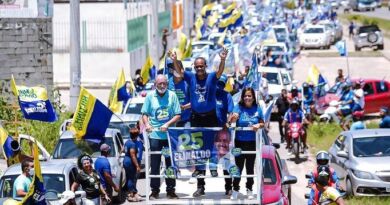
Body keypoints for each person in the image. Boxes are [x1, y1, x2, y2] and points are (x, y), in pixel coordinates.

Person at [170, 48, 228, 197]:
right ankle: (201, 186)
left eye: (201, 66)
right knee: (198, 150)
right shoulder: (191, 77)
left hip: (210, 117)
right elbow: (180, 71)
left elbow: (220, 71)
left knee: (211, 147)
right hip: (196, 117)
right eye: (197, 66)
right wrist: (175, 59)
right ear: (194, 68)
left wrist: (222, 59)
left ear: (205, 66)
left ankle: (215, 170)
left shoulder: (211, 78)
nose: (199, 68)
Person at [141, 74, 181, 199]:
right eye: (160, 84)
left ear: (167, 84)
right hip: (155, 136)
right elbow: (144, 113)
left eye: (164, 83)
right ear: (155, 84)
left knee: (170, 164)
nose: (162, 86)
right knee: (155, 164)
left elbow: (178, 114)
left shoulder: (172, 95)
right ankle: (155, 190)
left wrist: (168, 124)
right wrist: (147, 124)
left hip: (169, 136)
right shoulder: (150, 96)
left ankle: (170, 190)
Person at [228, 87, 264, 200]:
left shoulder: (258, 108)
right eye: (245, 96)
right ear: (242, 98)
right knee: (238, 167)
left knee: (250, 167)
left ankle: (249, 189)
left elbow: (262, 123)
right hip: (239, 142)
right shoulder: (238, 107)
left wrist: (258, 125)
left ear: (253, 97)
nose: (247, 98)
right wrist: (232, 119)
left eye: (249, 96)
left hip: (252, 143)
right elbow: (230, 121)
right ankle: (235, 189)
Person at [168, 60, 191, 127]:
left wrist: (184, 107)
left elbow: (195, 101)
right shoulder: (166, 83)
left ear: (182, 70)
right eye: (176, 69)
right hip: (171, 121)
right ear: (172, 71)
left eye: (179, 69)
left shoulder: (188, 82)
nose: (178, 71)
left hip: (187, 121)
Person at [211, 130, 234, 196]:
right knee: (206, 163)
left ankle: (228, 188)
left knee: (226, 165)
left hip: (225, 130)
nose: (221, 143)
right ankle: (200, 187)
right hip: (212, 132)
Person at [123, 125, 143, 202]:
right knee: (131, 178)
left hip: (126, 160)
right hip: (130, 162)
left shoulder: (127, 142)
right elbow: (133, 155)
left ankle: (132, 193)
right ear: (137, 135)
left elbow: (122, 150)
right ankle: (131, 194)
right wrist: (137, 166)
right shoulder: (132, 144)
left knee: (129, 178)